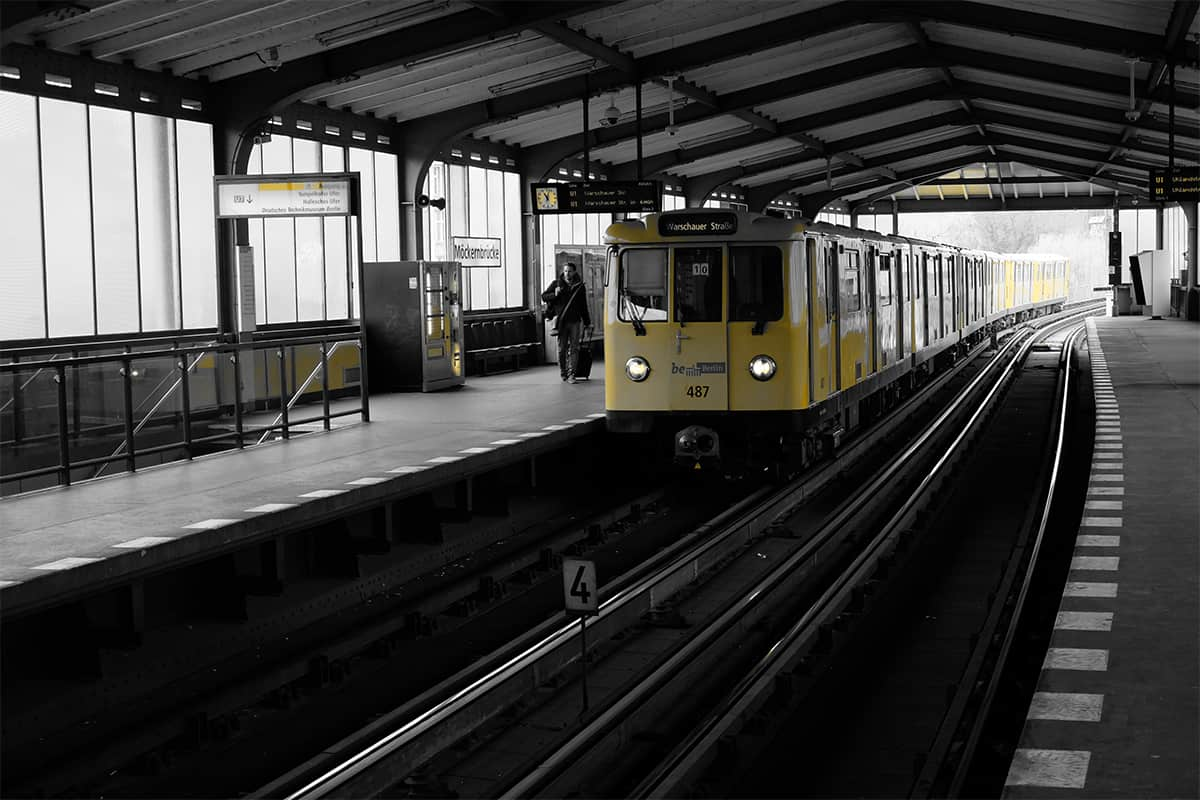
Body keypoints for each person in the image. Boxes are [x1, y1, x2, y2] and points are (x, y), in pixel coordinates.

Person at [543, 262, 591, 382]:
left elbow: (583, 305)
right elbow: (544, 296)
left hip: (575, 321)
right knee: (562, 348)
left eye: (569, 271)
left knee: (574, 348)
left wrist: (587, 322)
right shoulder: (557, 284)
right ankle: (563, 372)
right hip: (562, 322)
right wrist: (555, 294)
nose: (567, 273)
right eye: (565, 271)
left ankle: (571, 374)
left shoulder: (579, 286)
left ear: (574, 272)